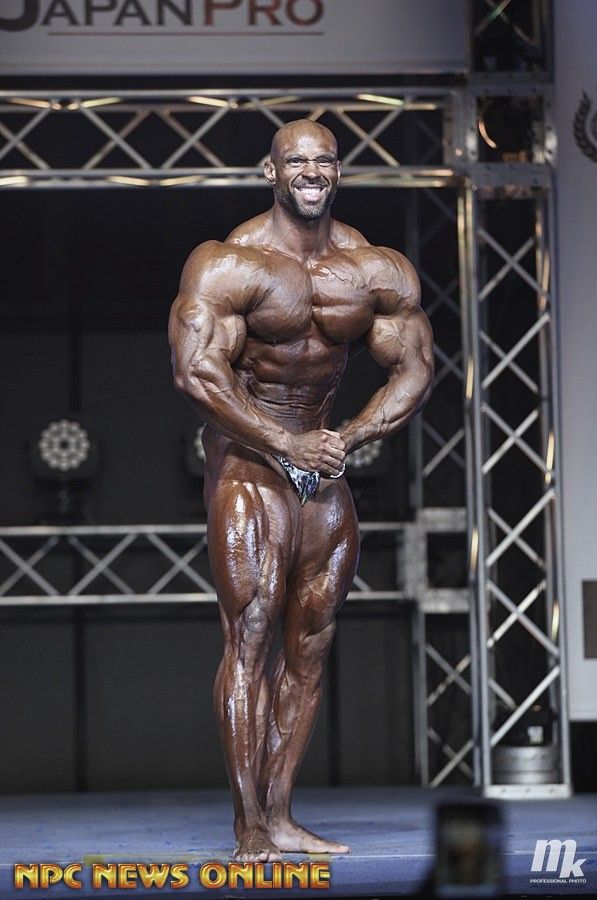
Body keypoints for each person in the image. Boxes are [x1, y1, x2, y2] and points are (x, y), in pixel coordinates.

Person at [169, 119, 434, 862]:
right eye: (297, 161)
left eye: (324, 161)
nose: (311, 171)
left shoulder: (374, 269)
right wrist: (283, 442)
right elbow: (196, 373)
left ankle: (281, 815)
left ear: (338, 172)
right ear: (271, 172)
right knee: (252, 629)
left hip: (321, 456)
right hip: (249, 456)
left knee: (312, 637)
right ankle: (249, 825)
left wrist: (351, 435)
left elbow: (415, 367)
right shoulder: (229, 263)